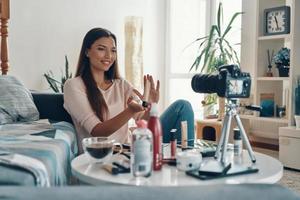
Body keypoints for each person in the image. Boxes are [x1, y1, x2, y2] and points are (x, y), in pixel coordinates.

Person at [63, 27, 194, 154]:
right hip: (103, 155)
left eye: (113, 50)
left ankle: (187, 162)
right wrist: (130, 110)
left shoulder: (122, 85)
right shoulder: (74, 86)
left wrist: (150, 105)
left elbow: (143, 119)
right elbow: (98, 131)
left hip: (132, 149)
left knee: (182, 106)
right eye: (101, 49)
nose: (109, 55)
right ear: (87, 52)